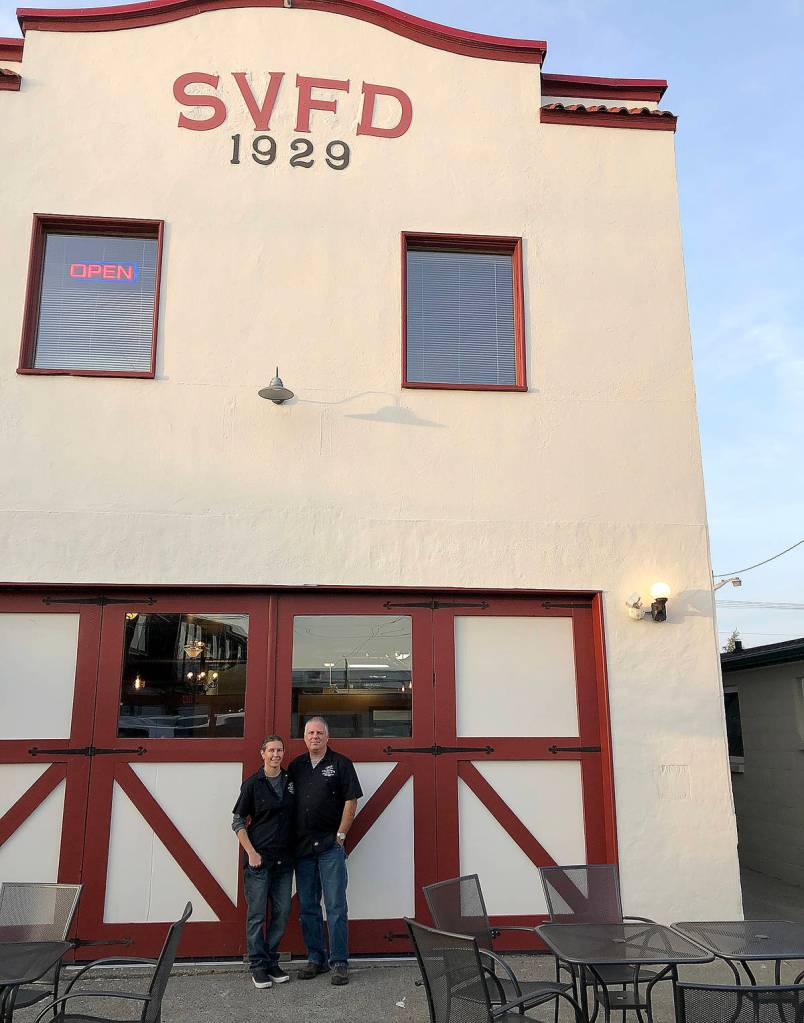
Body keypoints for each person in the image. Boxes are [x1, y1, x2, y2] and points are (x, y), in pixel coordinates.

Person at [288, 715, 362, 986]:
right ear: (304, 737)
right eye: (310, 733)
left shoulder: (341, 764)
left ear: (328, 737)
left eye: (320, 733)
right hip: (303, 849)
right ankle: (315, 958)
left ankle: (339, 962)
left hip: (330, 847)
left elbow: (350, 802)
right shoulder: (295, 767)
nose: (315, 737)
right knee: (308, 907)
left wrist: (340, 836)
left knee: (335, 906)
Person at [232, 734, 295, 990]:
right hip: (259, 861)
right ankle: (257, 965)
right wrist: (251, 852)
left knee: (282, 911)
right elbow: (237, 821)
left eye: (279, 750)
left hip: (284, 860)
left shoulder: (291, 781)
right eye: (271, 750)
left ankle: (271, 960)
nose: (276, 755)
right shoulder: (253, 784)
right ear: (262, 753)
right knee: (257, 915)